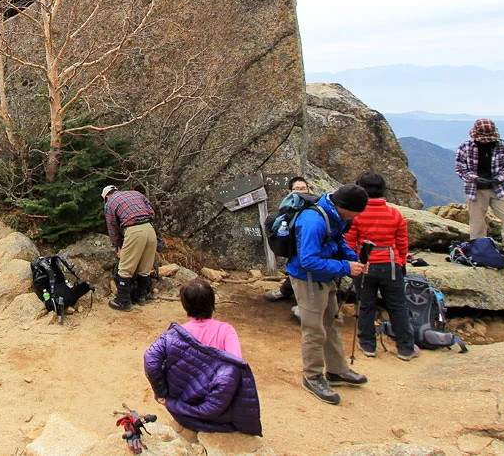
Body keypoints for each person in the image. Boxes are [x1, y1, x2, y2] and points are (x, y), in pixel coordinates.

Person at [143, 280, 262, 435]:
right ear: (213, 302)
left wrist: (162, 393)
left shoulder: (175, 335)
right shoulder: (226, 331)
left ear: (185, 305)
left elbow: (150, 359)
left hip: (182, 409)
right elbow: (234, 369)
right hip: (219, 413)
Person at [287, 184, 370, 405]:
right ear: (345, 207)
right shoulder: (314, 221)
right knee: (314, 329)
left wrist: (351, 258)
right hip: (309, 281)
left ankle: (337, 369)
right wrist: (345, 267)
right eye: (357, 212)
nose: (357, 217)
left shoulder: (334, 215)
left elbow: (337, 240)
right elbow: (308, 260)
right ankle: (312, 376)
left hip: (325, 276)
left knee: (333, 322)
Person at [345, 172, 418, 361]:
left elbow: (349, 242)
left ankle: (368, 345)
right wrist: (401, 261)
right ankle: (406, 348)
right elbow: (402, 242)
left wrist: (351, 263)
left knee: (366, 305)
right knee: (397, 307)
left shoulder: (357, 215)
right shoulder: (395, 214)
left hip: (365, 265)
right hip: (391, 265)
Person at [454, 119, 504, 267]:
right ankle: (479, 254)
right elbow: (460, 169)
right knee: (477, 225)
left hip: (498, 189)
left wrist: (497, 179)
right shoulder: (465, 147)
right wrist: (476, 179)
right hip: (475, 190)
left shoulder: (502, 146)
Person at [102, 185, 158, 311]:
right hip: (149, 229)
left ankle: (123, 301)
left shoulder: (110, 203)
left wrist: (118, 247)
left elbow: (112, 228)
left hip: (133, 231)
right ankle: (141, 297)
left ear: (107, 196)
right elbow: (151, 212)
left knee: (125, 268)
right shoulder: (136, 193)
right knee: (145, 267)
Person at [266, 177, 310, 302]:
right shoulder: (287, 206)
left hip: (308, 243)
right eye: (297, 189)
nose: (301, 192)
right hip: (293, 244)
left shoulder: (314, 206)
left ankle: (302, 304)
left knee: (303, 266)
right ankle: (288, 291)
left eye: (303, 189)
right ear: (289, 191)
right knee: (296, 265)